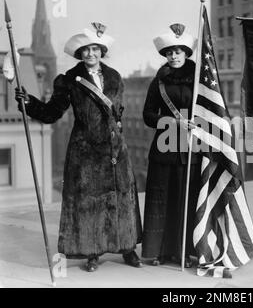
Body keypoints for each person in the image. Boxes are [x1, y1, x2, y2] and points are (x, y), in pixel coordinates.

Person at [15, 23, 143, 272]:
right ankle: (91, 251)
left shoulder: (115, 76)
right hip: (85, 150)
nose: (91, 54)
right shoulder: (68, 80)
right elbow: (52, 112)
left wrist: (118, 136)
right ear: (79, 53)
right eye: (86, 50)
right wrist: (29, 102)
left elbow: (118, 111)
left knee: (122, 199)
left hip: (116, 149)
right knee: (88, 202)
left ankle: (128, 248)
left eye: (95, 49)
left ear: (101, 50)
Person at [142, 23, 200, 267]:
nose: (173, 56)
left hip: (191, 147)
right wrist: (170, 122)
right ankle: (159, 251)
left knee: (186, 198)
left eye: (178, 51)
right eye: (169, 52)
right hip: (165, 148)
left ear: (186, 53)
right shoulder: (159, 82)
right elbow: (147, 115)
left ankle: (185, 251)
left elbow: (212, 111)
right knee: (162, 198)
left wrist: (198, 123)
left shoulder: (200, 80)